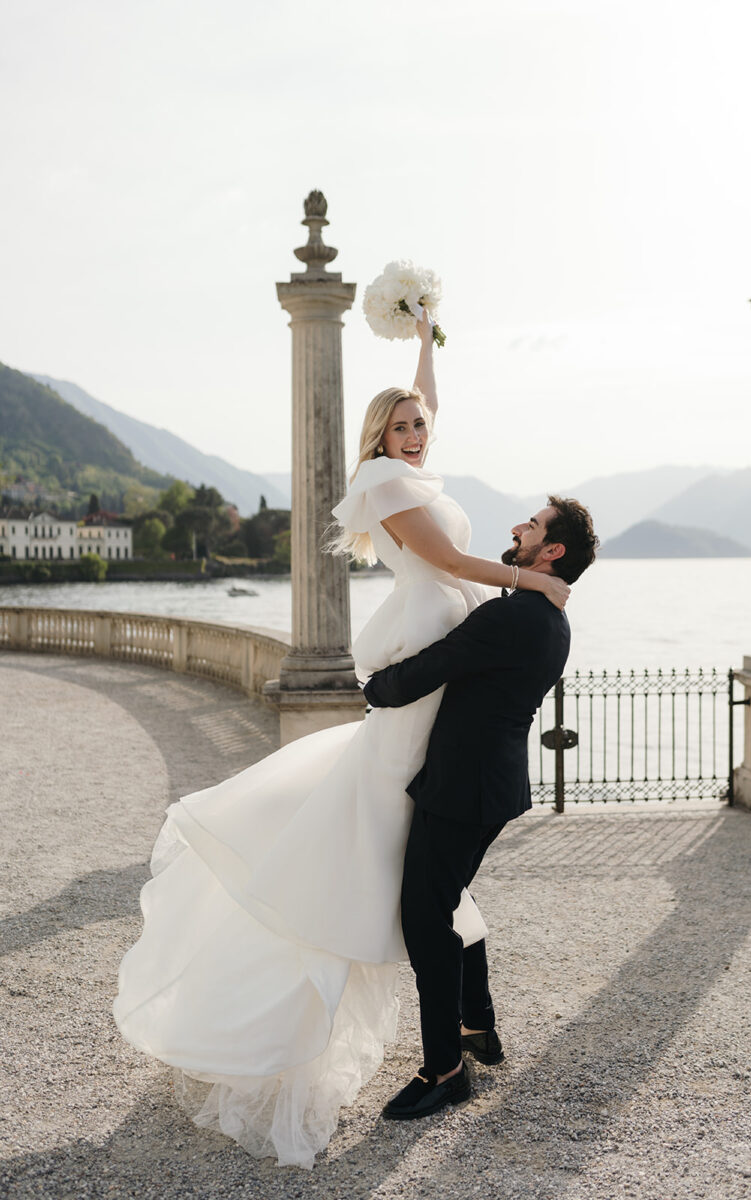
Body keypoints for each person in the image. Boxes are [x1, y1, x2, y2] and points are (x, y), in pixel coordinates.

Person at [112, 314, 569, 1169]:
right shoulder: (388, 484)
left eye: (420, 423)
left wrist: (428, 340)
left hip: (448, 647)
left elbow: (427, 400)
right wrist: (531, 578)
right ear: (378, 437)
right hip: (431, 633)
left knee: (429, 873)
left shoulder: (413, 466)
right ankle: (440, 1026)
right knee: (403, 853)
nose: (416, 430)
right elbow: (450, 559)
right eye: (400, 425)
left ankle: (466, 1030)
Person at [364, 495, 599, 1120]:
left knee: (423, 917)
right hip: (492, 785)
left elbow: (431, 669)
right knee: (449, 900)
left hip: (462, 788)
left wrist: (372, 686)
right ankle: (478, 1025)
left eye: (533, 526)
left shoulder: (516, 615)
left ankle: (444, 1071)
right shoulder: (549, 617)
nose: (518, 527)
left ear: (551, 552)